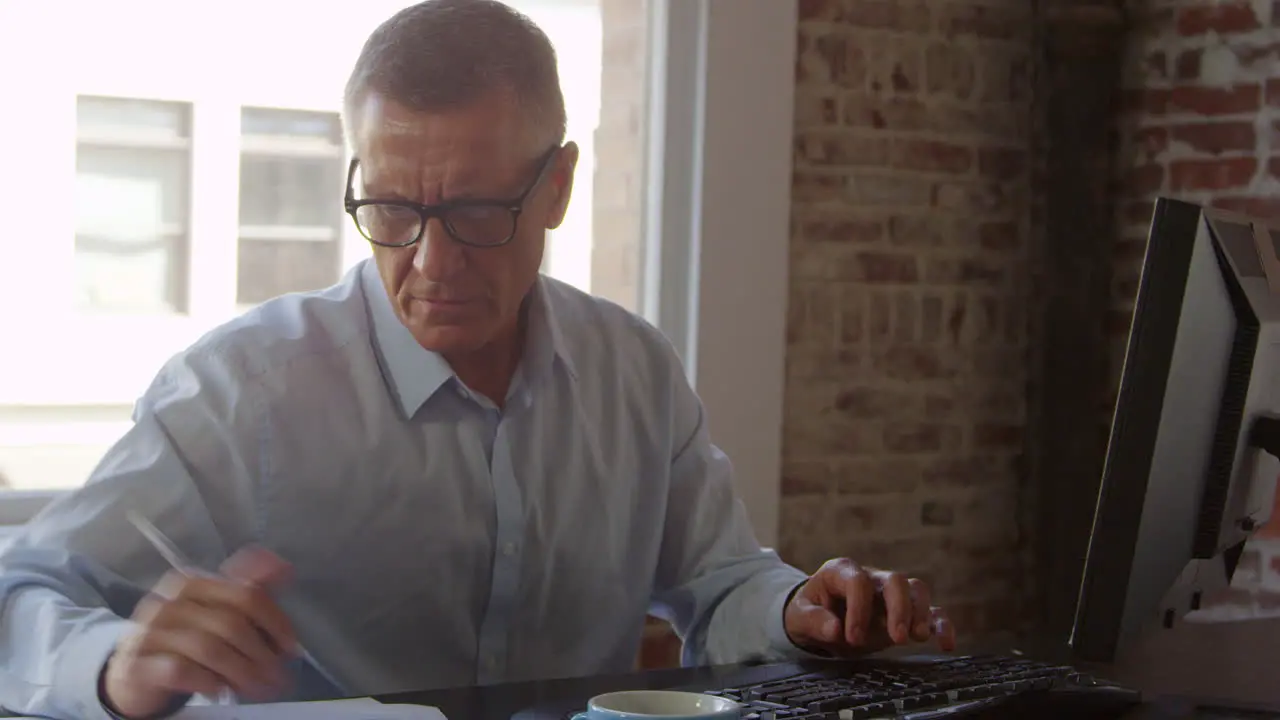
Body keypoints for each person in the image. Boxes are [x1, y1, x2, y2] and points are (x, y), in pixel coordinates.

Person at [0, 2, 956, 719]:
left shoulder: (634, 373)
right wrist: (119, 667)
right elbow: (19, 596)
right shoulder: (240, 391)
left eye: (475, 215)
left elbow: (716, 584)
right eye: (392, 212)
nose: (432, 264)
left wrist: (798, 610)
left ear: (558, 187)